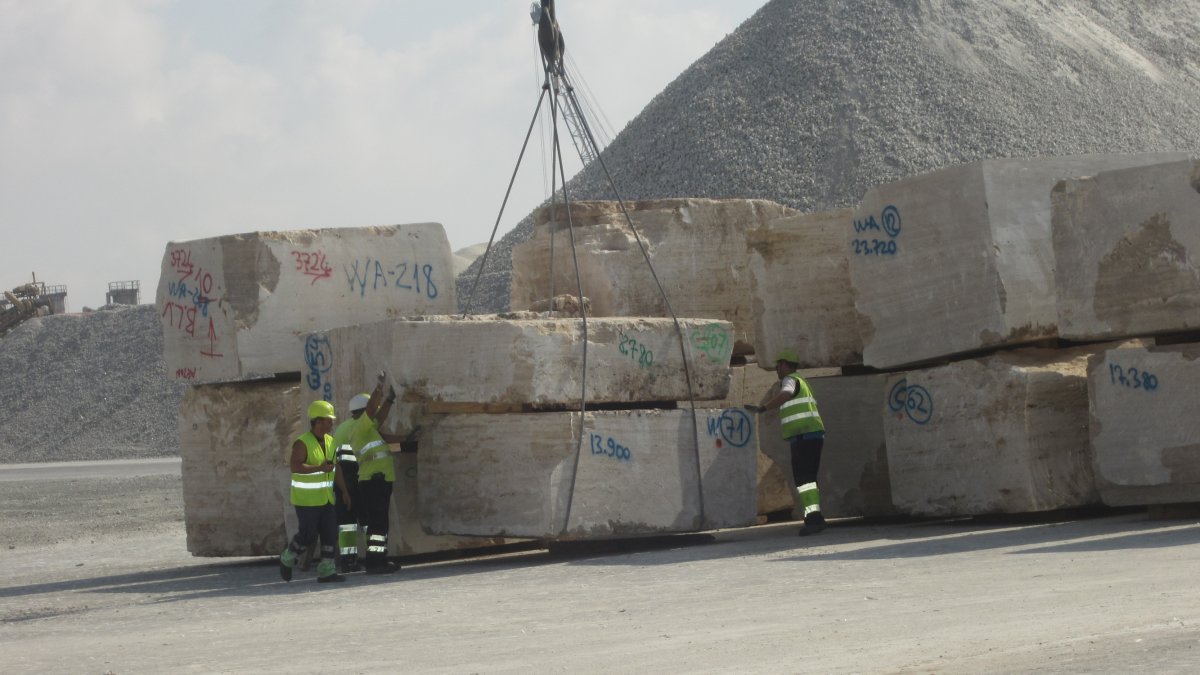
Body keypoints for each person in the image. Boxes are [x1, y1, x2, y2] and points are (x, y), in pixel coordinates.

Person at [747, 349, 827, 536]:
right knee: (809, 480)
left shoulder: (790, 380)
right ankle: (815, 517)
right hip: (811, 436)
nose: (776, 369)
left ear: (784, 365)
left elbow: (785, 394)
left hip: (804, 438)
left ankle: (813, 519)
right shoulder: (802, 381)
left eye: (778, 365)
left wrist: (763, 408)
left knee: (804, 481)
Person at [279, 400, 346, 583]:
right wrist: (319, 468)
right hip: (306, 500)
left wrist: (344, 491)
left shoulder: (331, 441)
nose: (332, 423)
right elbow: (295, 466)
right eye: (329, 420)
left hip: (326, 499)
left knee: (330, 534)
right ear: (318, 421)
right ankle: (288, 557)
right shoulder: (302, 443)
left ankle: (327, 570)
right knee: (308, 535)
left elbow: (336, 468)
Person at [351, 372, 408, 574]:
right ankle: (375, 563)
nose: (374, 414)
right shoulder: (360, 428)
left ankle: (379, 559)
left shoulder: (369, 429)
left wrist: (390, 400)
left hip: (378, 482)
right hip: (373, 483)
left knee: (380, 524)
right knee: (377, 526)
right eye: (370, 411)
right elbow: (372, 410)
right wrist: (379, 388)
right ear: (363, 412)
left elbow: (380, 416)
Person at [330, 392, 370, 573]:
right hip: (358, 479)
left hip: (341, 482)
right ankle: (374, 557)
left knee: (346, 524)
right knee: (368, 521)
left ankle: (348, 561)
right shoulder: (363, 427)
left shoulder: (341, 428)